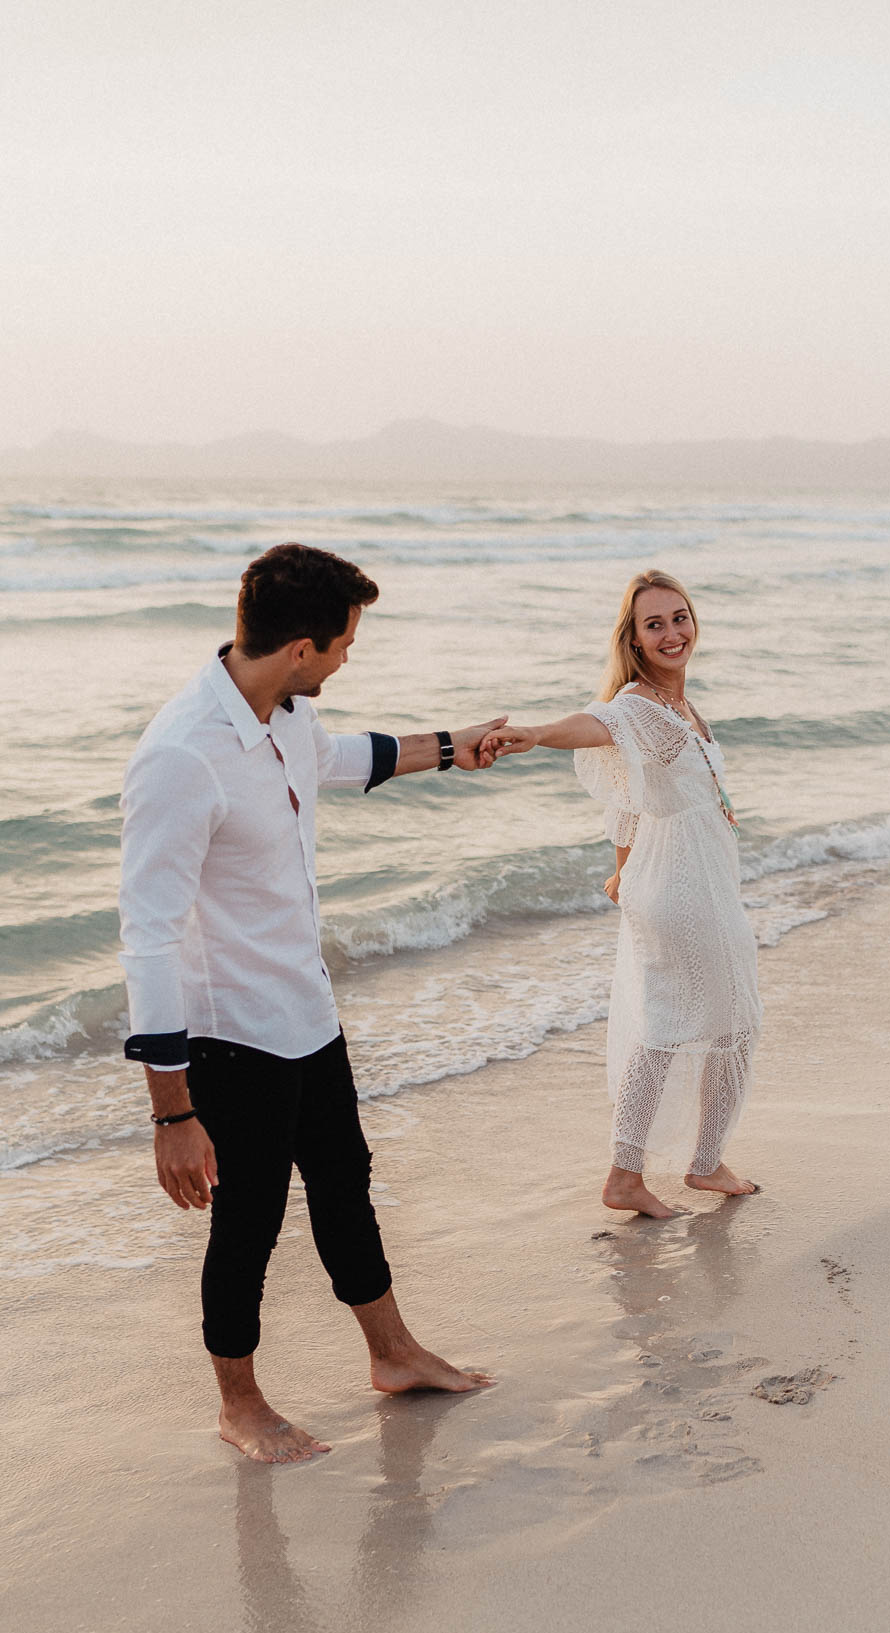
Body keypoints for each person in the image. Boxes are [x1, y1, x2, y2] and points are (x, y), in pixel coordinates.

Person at [119, 543, 506, 1463]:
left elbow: (346, 756)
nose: (346, 659)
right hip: (229, 1037)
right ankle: (239, 1405)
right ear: (301, 646)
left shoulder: (283, 712)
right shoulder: (181, 756)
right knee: (246, 1225)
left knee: (346, 1186)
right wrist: (171, 1112)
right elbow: (148, 936)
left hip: (306, 1012)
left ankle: (393, 1353)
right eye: (343, 644)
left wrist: (458, 747)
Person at [482, 569, 761, 1218]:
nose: (671, 633)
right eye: (654, 624)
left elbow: (629, 800)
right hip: (681, 889)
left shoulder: (679, 707)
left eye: (679, 617)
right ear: (632, 640)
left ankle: (687, 1164)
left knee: (711, 1024)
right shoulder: (638, 706)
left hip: (686, 881)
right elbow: (595, 724)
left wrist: (620, 865)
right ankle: (641, 1173)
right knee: (704, 1026)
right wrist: (536, 734)